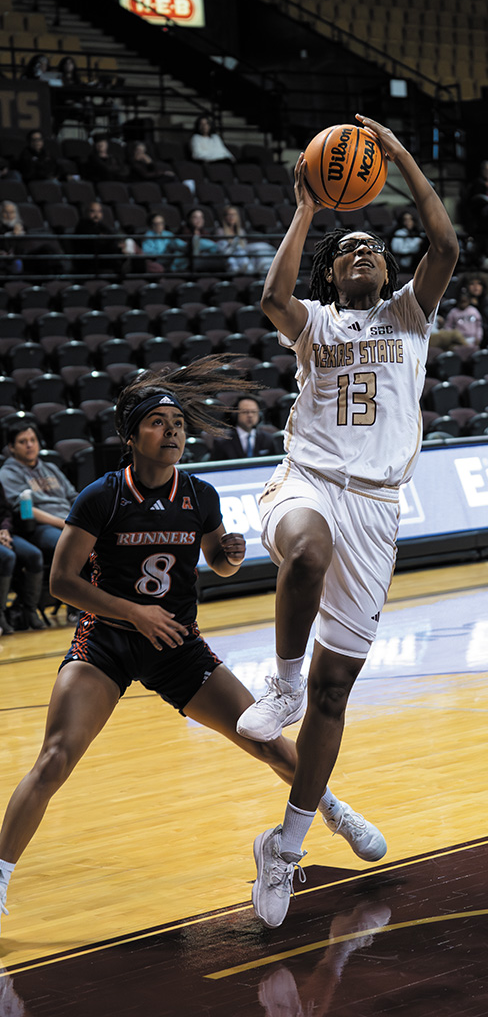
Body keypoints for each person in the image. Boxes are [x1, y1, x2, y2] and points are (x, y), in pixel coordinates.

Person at [0, 356, 386, 935]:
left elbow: (216, 563)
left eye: (178, 422)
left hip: (178, 646)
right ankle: (1, 876)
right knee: (56, 757)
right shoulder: (100, 497)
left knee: (266, 741)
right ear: (132, 437)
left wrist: (227, 554)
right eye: (158, 422)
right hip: (108, 642)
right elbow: (62, 582)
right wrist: (134, 613)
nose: (173, 430)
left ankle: (333, 812)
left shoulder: (200, 495)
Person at [235, 114, 458, 929]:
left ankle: (285, 848)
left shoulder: (410, 318)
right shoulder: (318, 324)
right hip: (310, 480)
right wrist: (306, 212)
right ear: (332, 275)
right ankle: (281, 677)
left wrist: (398, 156)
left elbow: (446, 248)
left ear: (388, 271)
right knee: (304, 553)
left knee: (338, 697)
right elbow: (270, 297)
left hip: (378, 506)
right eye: (346, 250)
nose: (360, 253)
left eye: (371, 248)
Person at [0, 419, 80, 630]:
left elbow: (73, 496)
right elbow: (23, 509)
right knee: (68, 544)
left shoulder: (51, 468)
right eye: (22, 441)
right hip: (41, 526)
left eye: (32, 440)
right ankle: (75, 608)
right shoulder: (8, 473)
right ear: (11, 447)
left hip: (68, 521)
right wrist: (65, 524)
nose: (29, 445)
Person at [0, 480, 45, 636]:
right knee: (7, 556)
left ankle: (29, 610)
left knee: (33, 555)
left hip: (4, 534)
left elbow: (6, 511)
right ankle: (1, 614)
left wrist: (4, 529)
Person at [209, 394, 276, 461]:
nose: (250, 415)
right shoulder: (222, 442)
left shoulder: (268, 439)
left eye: (254, 412)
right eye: (245, 412)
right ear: (235, 414)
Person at [215, 204, 276, 276]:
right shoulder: (220, 231)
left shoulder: (241, 231)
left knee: (258, 249)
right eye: (229, 215)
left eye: (234, 215)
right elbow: (223, 249)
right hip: (231, 257)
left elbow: (244, 246)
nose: (231, 217)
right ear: (225, 217)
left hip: (242, 254)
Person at [72, 199, 122, 274]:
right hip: (90, 261)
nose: (96, 215)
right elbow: (94, 243)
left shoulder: (100, 225)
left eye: (99, 211)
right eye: (92, 211)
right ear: (86, 213)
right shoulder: (82, 225)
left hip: (103, 258)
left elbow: (112, 235)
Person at [0, 200, 25, 275]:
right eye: (6, 212)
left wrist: (18, 235)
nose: (9, 216)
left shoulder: (21, 228)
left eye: (12, 212)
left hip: (18, 258)